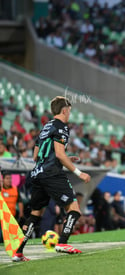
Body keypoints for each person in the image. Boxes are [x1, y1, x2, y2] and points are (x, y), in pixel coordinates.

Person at [12, 96, 91, 262]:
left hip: (37, 174)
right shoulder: (61, 127)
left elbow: (36, 156)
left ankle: (18, 252)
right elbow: (60, 155)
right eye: (69, 110)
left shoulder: (45, 127)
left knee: (35, 214)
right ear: (64, 110)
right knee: (74, 209)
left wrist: (65, 157)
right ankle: (62, 243)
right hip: (52, 174)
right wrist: (79, 172)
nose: (69, 114)